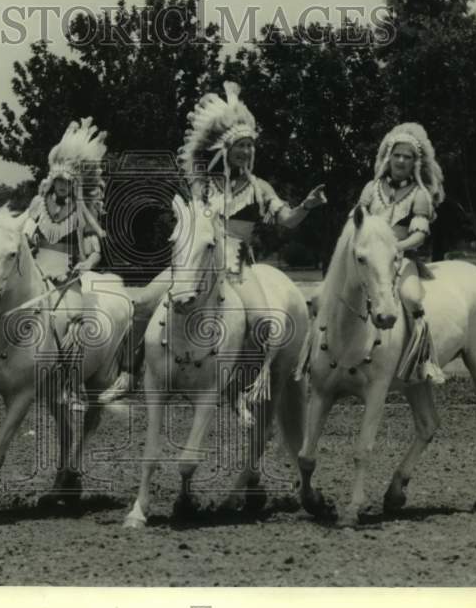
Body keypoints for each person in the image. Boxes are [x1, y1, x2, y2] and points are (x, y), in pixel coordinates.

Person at [101, 82, 327, 401]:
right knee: (142, 305)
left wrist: (306, 206)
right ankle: (127, 374)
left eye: (250, 146)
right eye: (240, 146)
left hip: (236, 266)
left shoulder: (259, 187)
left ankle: (245, 384)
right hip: (199, 262)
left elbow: (287, 220)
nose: (246, 152)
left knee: (263, 320)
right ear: (225, 149)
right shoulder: (205, 184)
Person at [21, 118, 109, 410]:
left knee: (76, 320)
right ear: (52, 180)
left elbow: (94, 249)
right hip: (35, 272)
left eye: (67, 182)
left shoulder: (81, 213)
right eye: (58, 181)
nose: (62, 186)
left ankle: (73, 385)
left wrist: (88, 264)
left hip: (66, 278)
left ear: (74, 185)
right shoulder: (38, 205)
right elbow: (25, 233)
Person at [356, 122, 446, 384]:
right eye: (397, 155)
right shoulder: (370, 189)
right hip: (370, 258)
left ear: (415, 163)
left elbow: (419, 235)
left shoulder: (420, 195)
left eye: (407, 157)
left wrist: (397, 247)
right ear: (388, 157)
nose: (401, 161)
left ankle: (425, 359)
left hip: (401, 258)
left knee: (411, 296)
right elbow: (356, 219)